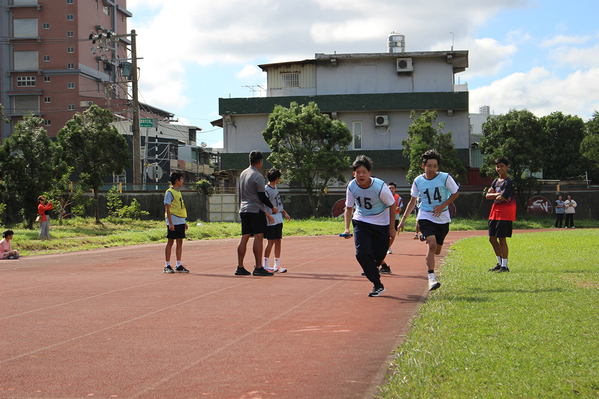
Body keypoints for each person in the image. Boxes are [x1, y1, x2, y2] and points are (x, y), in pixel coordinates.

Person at [399, 150, 459, 291]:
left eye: (435, 166)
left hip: (442, 217)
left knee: (437, 250)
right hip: (425, 215)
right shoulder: (418, 181)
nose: (432, 169)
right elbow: (413, 200)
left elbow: (455, 193)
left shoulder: (445, 178)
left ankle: (427, 238)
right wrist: (403, 219)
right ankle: (431, 279)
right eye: (429, 166)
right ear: (423, 166)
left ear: (438, 167)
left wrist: (443, 206)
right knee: (431, 245)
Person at [342, 155, 396, 297]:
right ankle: (377, 284)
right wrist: (347, 228)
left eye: (364, 172)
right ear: (354, 174)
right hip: (362, 221)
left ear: (369, 174)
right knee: (362, 253)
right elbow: (348, 208)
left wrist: (391, 227)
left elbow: (392, 204)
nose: (361, 175)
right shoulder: (352, 186)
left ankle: (375, 265)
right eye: (358, 172)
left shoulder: (379, 186)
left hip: (381, 223)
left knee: (379, 254)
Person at [236, 151, 279, 276]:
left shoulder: (243, 173)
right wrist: (272, 207)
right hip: (255, 210)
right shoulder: (258, 176)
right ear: (260, 161)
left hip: (243, 209)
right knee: (258, 237)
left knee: (244, 237)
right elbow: (262, 196)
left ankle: (240, 266)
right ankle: (258, 267)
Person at [485, 156, 516, 273]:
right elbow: (488, 196)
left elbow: (502, 198)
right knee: (492, 239)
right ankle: (498, 263)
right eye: (498, 166)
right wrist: (495, 195)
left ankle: (505, 265)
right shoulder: (495, 181)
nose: (499, 168)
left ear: (507, 167)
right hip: (494, 213)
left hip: (505, 214)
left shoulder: (508, 182)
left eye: (502, 166)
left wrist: (494, 195)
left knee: (502, 239)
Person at [263, 168, 291, 273]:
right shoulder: (266, 190)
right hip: (271, 218)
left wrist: (284, 212)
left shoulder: (275, 188)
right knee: (271, 241)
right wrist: (267, 215)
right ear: (277, 178)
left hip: (279, 218)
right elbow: (262, 205)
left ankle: (277, 264)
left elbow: (277, 203)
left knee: (278, 240)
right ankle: (265, 264)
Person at [163, 172, 189, 274]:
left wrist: (184, 221)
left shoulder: (178, 192)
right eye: (181, 179)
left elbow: (180, 207)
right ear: (176, 180)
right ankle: (167, 265)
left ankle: (178, 265)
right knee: (170, 242)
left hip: (180, 220)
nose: (182, 181)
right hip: (173, 220)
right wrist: (170, 223)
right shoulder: (169, 192)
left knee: (180, 242)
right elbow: (167, 208)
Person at [386, 182, 403, 255]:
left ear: (395, 189)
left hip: (395, 217)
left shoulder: (398, 198)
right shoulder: (384, 196)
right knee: (385, 234)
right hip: (386, 217)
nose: (391, 189)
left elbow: (400, 209)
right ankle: (385, 247)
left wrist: (398, 209)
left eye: (392, 188)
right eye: (389, 188)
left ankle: (388, 247)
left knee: (393, 234)